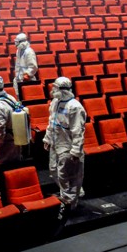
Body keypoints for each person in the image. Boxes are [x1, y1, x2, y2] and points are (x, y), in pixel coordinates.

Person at [43, 77, 87, 222]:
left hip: (68, 146)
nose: (52, 90)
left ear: (63, 89)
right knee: (53, 170)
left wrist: (75, 151)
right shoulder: (55, 103)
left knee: (68, 175)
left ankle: (69, 205)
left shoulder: (75, 107)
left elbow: (77, 131)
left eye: (55, 87)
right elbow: (52, 123)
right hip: (56, 143)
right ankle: (72, 193)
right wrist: (47, 139)